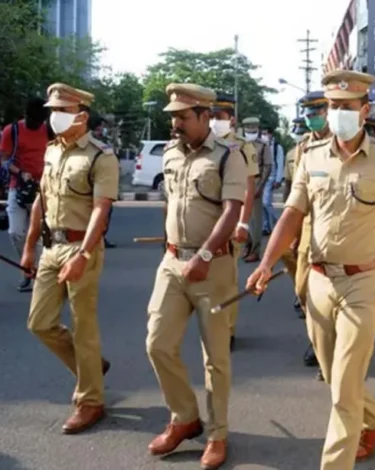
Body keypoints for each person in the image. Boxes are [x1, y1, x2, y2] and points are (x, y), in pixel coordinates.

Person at [247, 69, 375, 469]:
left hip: (365, 281)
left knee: (343, 387)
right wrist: (267, 263)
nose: (337, 113)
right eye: (332, 106)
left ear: (365, 110)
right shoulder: (311, 157)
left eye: (346, 107)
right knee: (333, 373)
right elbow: (292, 214)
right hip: (320, 282)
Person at [145, 83, 246, 469]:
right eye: (173, 117)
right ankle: (184, 417)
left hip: (213, 266)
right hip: (172, 264)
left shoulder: (227, 157)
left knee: (215, 357)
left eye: (183, 117)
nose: (176, 123)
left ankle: (217, 434)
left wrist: (204, 254)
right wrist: (170, 247)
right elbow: (170, 202)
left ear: (206, 117)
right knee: (157, 343)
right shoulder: (171, 153)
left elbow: (232, 210)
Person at [21, 83, 118, 433]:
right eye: (52, 111)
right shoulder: (52, 152)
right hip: (51, 248)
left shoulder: (99, 156)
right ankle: (89, 366)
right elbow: (41, 202)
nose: (54, 117)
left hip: (81, 248)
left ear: (81, 115)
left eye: (61, 111)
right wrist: (30, 247)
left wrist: (85, 253)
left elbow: (101, 210)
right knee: (39, 323)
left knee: (83, 326)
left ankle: (90, 400)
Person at [287, 91, 332, 377]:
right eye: (309, 113)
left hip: (337, 224)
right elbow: (294, 193)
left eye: (317, 112)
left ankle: (325, 347)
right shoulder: (303, 148)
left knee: (336, 288)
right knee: (303, 289)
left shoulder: (342, 143)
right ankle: (318, 337)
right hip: (307, 227)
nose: (312, 118)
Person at [209, 95, 259, 351]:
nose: (214, 121)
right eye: (211, 116)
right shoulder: (202, 144)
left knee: (226, 279)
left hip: (230, 220)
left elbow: (248, 188)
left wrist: (243, 224)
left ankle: (226, 330)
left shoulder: (241, 147)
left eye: (219, 117)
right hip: (206, 220)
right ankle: (212, 324)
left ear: (231, 120)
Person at [1, 97, 49, 292]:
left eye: (39, 122)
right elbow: (3, 158)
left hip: (44, 189)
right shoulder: (12, 131)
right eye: (32, 121)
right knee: (16, 232)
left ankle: (35, 273)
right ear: (25, 115)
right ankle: (27, 267)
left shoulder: (49, 131)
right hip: (18, 187)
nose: (35, 125)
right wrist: (19, 172)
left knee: (39, 236)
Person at [280, 116, 308, 316]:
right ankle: (301, 287)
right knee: (287, 252)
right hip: (296, 209)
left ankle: (307, 295)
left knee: (307, 253)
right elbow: (289, 184)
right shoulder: (292, 153)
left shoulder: (318, 151)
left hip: (314, 214)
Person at [242, 116, 273, 263]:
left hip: (255, 182)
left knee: (256, 220)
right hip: (240, 183)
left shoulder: (263, 145)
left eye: (253, 128)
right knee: (243, 219)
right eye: (248, 128)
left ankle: (255, 250)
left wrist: (260, 187)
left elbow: (267, 166)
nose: (250, 131)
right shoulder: (239, 144)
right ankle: (247, 245)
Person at [88, 115, 116, 249]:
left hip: (104, 183)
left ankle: (101, 237)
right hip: (91, 185)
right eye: (100, 129)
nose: (102, 131)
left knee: (106, 212)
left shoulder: (103, 142)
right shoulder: (88, 145)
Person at [261, 125, 285, 235]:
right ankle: (266, 226)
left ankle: (279, 222)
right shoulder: (260, 145)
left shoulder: (277, 147)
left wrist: (278, 179)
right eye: (263, 133)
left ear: (271, 134)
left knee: (266, 202)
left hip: (271, 177)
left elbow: (280, 163)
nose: (264, 136)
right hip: (261, 178)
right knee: (262, 204)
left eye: (266, 133)